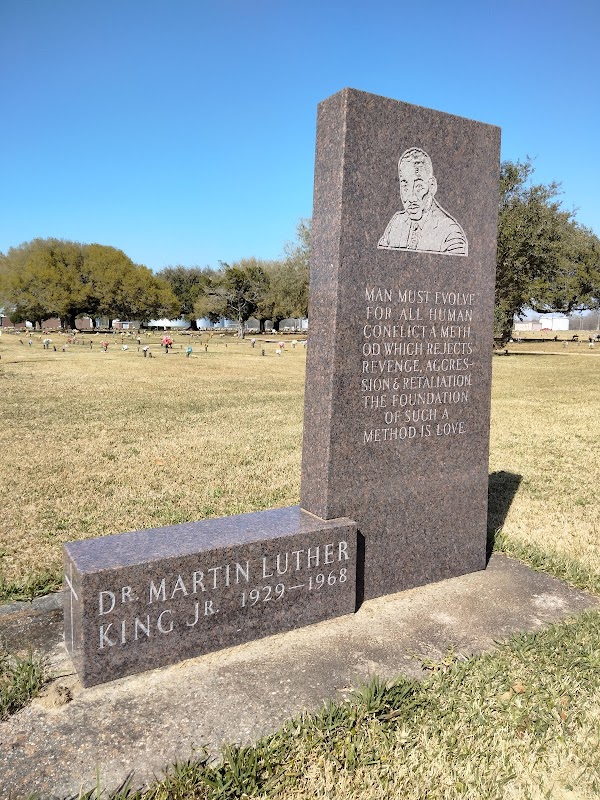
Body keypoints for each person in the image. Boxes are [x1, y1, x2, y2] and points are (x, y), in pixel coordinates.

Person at [378, 148, 468, 256]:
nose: (411, 197)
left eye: (418, 186)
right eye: (405, 186)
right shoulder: (396, 224)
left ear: (432, 186)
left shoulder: (450, 234)